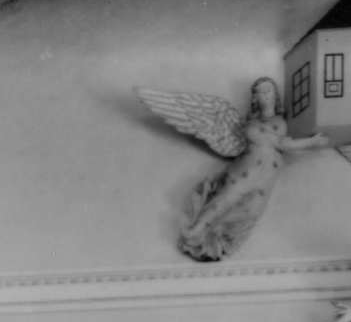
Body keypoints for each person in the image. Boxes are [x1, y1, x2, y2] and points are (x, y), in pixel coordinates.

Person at [139, 77, 329, 263]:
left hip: (266, 180)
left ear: (275, 94)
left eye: (268, 90)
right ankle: (194, 231)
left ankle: (218, 243)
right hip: (245, 171)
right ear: (254, 98)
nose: (265, 95)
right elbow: (280, 143)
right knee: (225, 200)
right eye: (260, 92)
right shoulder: (251, 125)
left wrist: (310, 142)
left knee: (250, 213)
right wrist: (312, 142)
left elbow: (284, 142)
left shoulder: (282, 121)